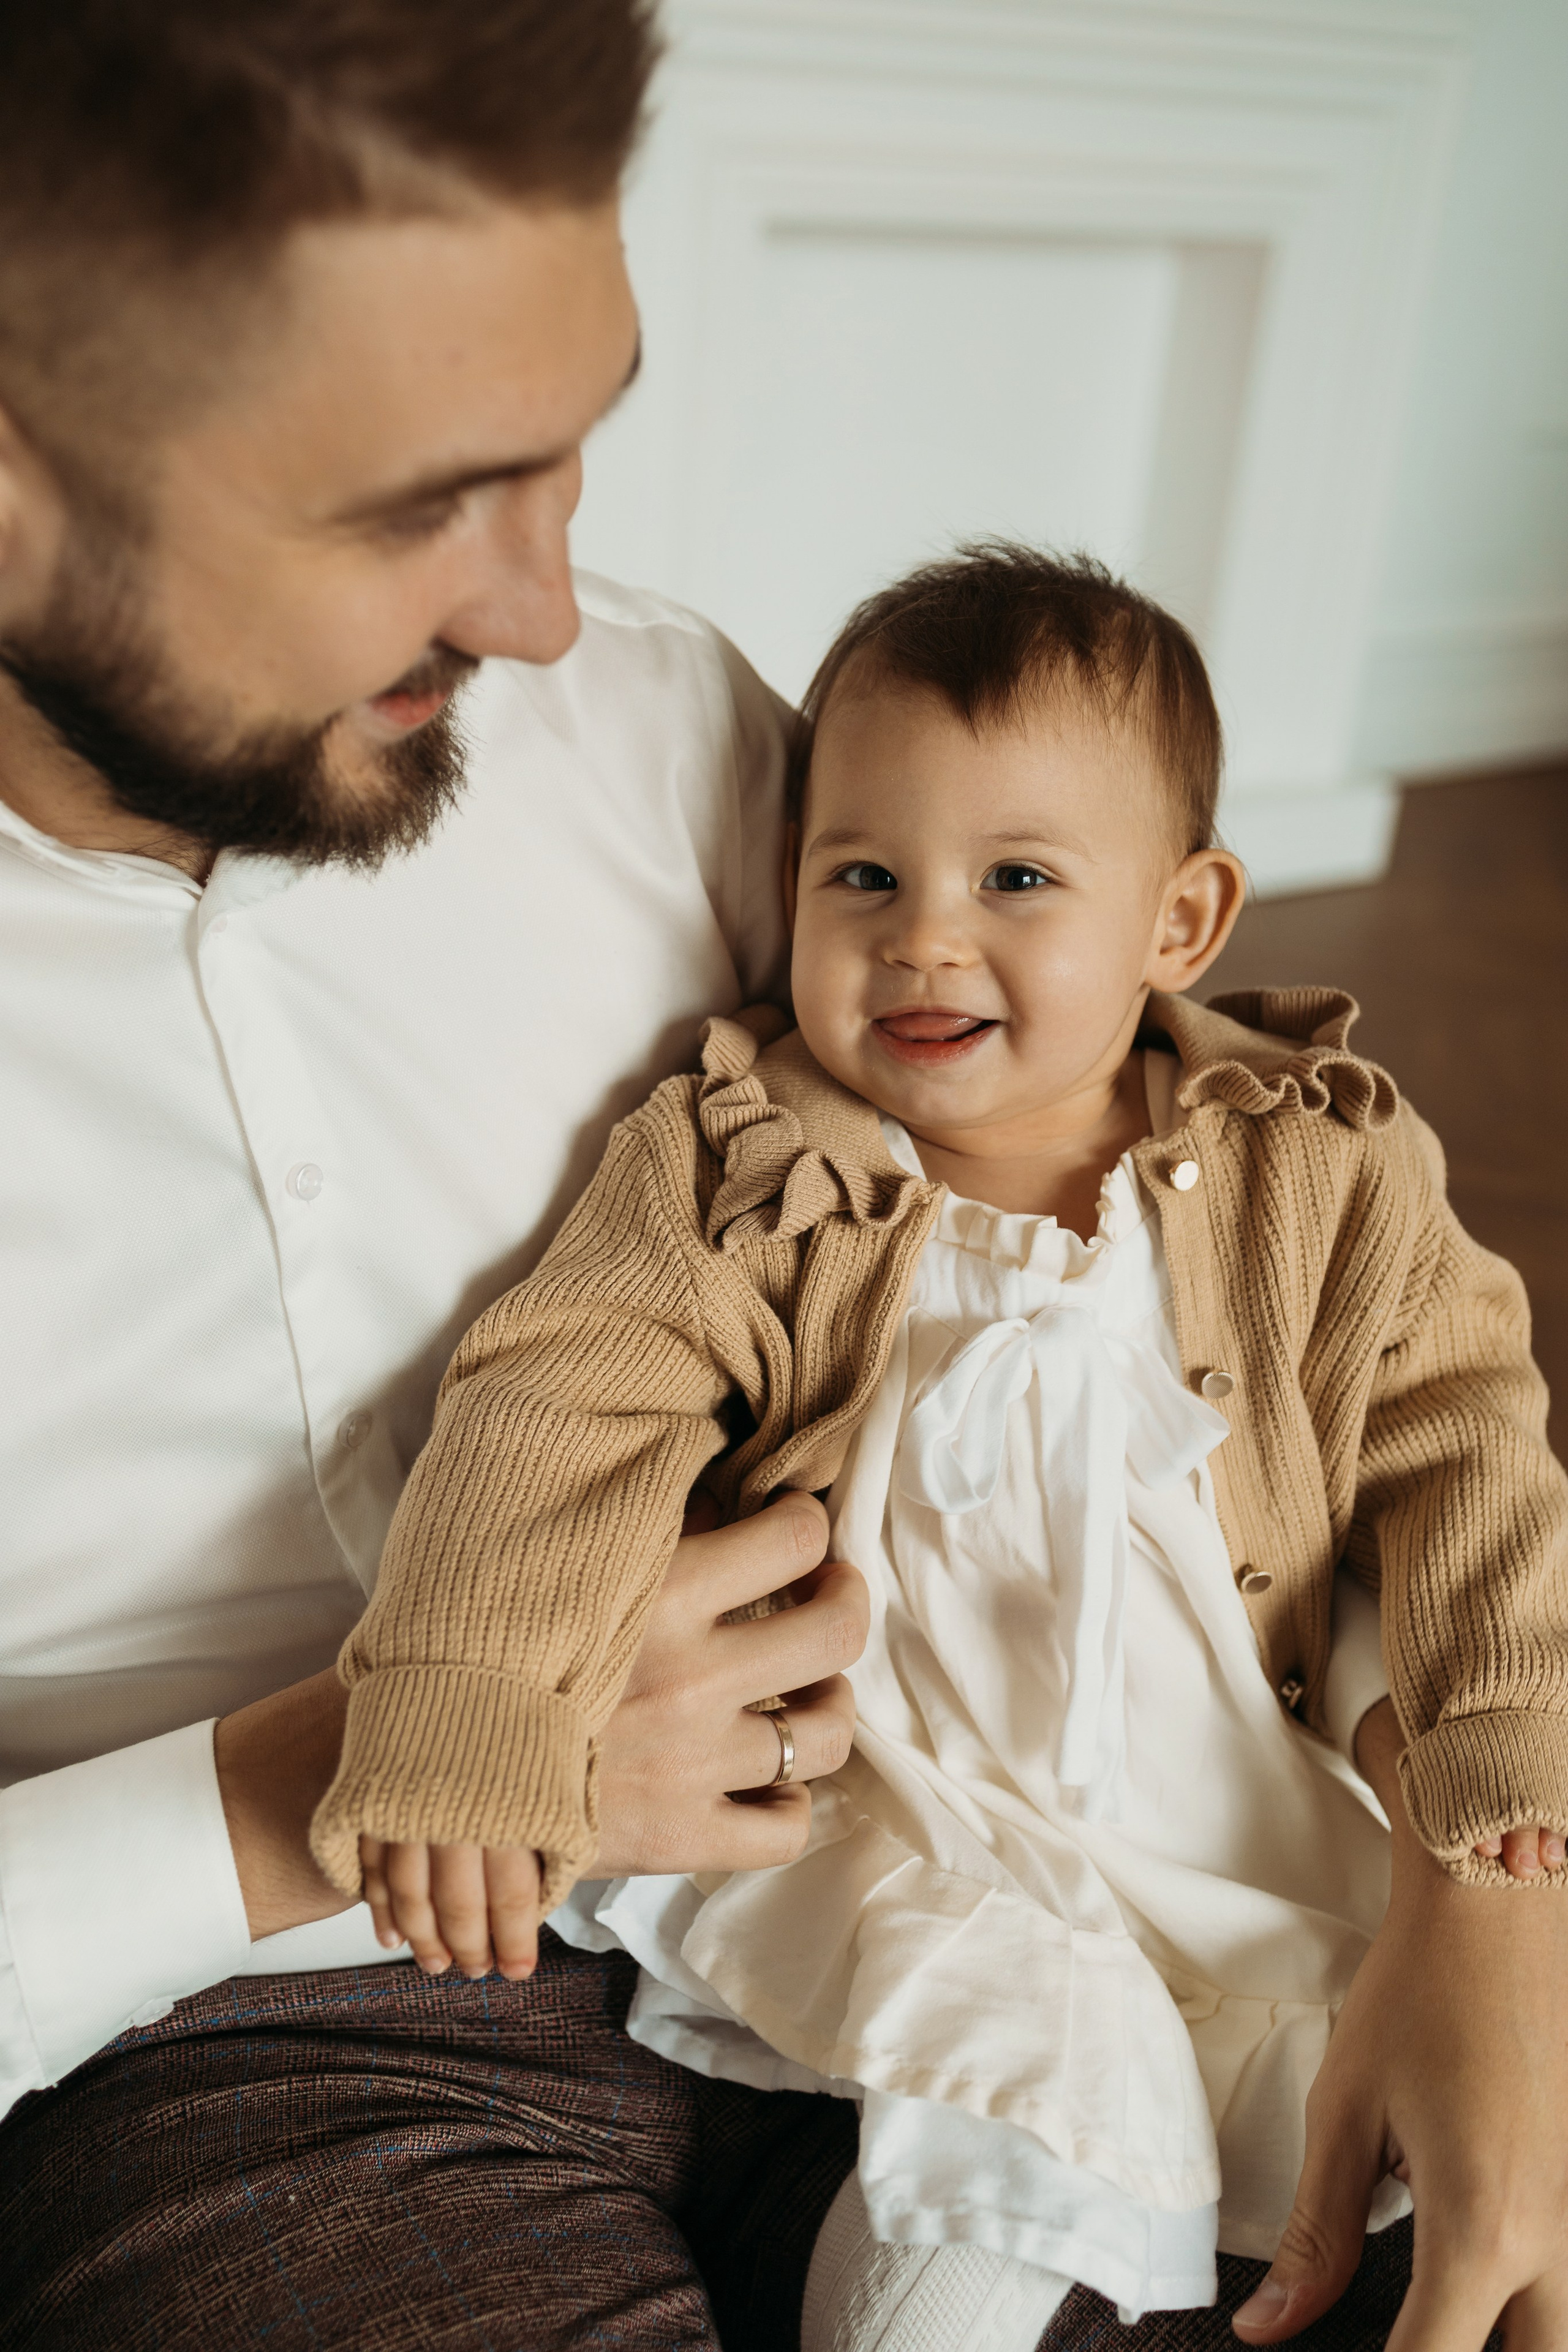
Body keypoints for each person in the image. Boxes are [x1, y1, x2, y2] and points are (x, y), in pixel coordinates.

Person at [309, 546, 1568, 2352]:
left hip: (1228, 1813)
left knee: (1408, 2184)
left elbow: (1471, 1460)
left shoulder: (1318, 1169)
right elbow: (555, 1405)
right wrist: (469, 1697)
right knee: (975, 2222)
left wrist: (1507, 1756)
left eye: (1020, 880)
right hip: (916, 1827)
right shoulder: (749, 1167)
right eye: (865, 876)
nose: (924, 937)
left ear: (1180, 924)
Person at [0, 7, 868, 2347]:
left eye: (573, 455)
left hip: (926, 1852)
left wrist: (1492, 1895)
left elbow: (1218, 1213)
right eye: (416, 508)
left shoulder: (680, 734)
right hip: (235, 2038)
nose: (542, 613)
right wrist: (335, 1785)